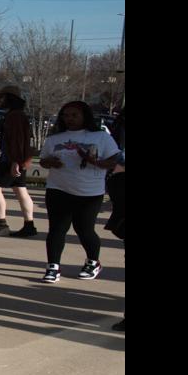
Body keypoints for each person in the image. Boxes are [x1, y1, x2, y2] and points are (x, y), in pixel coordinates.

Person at [36, 100, 122, 283]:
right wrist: (50, 162)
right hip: (58, 188)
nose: (70, 119)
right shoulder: (55, 138)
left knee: (84, 229)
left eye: (74, 115)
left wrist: (93, 162)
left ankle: (92, 262)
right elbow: (43, 161)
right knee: (57, 229)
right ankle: (53, 267)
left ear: (85, 116)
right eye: (66, 115)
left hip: (89, 191)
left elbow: (113, 162)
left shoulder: (100, 137)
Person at [0, 87, 39, 238]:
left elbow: (16, 140)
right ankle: (29, 225)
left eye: (2, 97)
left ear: (9, 99)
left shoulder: (14, 116)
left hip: (13, 159)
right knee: (20, 189)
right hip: (17, 159)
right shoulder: (19, 115)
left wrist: (15, 160)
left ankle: (2, 224)